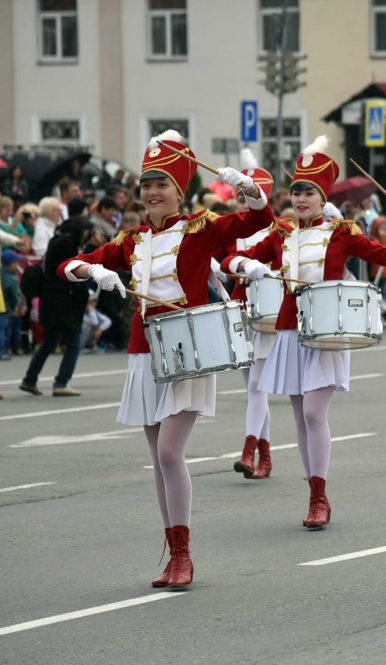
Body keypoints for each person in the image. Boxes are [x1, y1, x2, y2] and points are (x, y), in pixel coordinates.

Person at [57, 129, 273, 589]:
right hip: (144, 353)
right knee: (158, 459)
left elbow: (258, 219)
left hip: (189, 349)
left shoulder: (201, 228)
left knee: (170, 452)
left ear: (179, 191)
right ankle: (173, 553)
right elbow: (66, 266)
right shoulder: (131, 240)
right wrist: (93, 270)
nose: (152, 192)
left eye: (162, 185)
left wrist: (247, 187)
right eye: (146, 185)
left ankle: (185, 554)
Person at [224, 136, 386, 528]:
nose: (301, 199)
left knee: (313, 412)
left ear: (323, 197)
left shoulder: (342, 232)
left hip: (326, 332)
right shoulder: (280, 234)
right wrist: (245, 266)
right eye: (296, 192)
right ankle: (313, 495)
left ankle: (320, 495)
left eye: (309, 192)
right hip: (289, 330)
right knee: (299, 416)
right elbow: (232, 259)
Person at [221, 149, 295, 481]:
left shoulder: (280, 230)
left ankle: (249, 450)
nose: (242, 203)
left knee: (256, 385)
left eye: (248, 196)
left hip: (267, 313)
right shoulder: (231, 229)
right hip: (239, 309)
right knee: (253, 388)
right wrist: (220, 268)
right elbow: (216, 259)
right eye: (239, 198)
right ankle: (264, 457)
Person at [18, 216, 96, 396]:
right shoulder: (66, 244)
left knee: (49, 343)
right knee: (73, 343)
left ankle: (29, 380)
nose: (88, 235)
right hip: (64, 301)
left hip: (52, 300)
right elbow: (76, 267)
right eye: (87, 231)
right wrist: (92, 247)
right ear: (80, 230)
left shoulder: (57, 240)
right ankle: (61, 382)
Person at [1, 250, 22, 356]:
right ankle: (2, 351)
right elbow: (14, 297)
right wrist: (11, 306)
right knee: (2, 330)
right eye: (16, 262)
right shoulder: (11, 279)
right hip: (4, 307)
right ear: (11, 264)